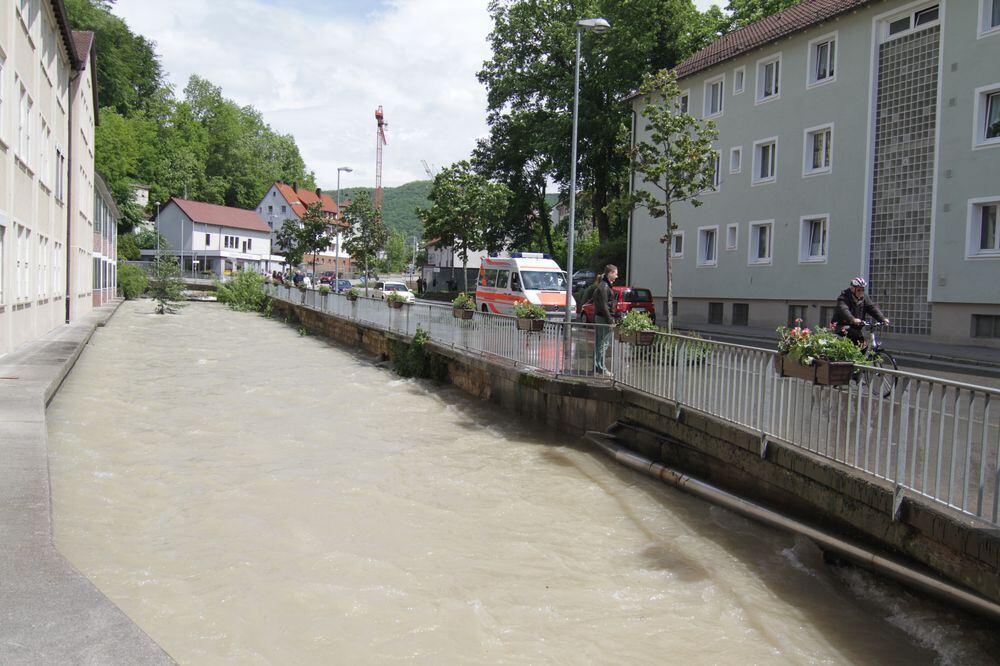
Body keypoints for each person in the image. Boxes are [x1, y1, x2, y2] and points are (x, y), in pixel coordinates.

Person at [833, 277, 890, 346]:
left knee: (863, 346)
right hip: (842, 327)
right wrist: (852, 319)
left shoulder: (864, 298)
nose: (861, 292)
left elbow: (872, 308)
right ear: (852, 289)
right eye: (859, 290)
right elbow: (844, 309)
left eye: (863, 290)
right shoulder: (843, 298)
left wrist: (882, 318)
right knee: (857, 345)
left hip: (856, 329)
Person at [593, 264, 618, 376]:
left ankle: (598, 367)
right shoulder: (604, 287)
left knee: (600, 343)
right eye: (615, 273)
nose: (617, 276)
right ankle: (601, 368)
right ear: (610, 273)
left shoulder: (603, 285)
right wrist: (610, 321)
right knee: (603, 344)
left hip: (601, 317)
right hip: (603, 319)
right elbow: (604, 306)